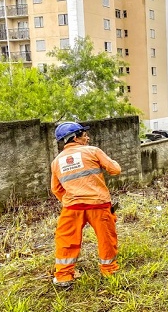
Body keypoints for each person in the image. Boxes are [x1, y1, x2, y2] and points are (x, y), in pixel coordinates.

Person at [50, 121, 121, 287]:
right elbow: (115, 170)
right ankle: (109, 270)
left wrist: (71, 201)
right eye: (84, 134)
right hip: (98, 205)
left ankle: (64, 277)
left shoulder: (56, 162)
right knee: (106, 238)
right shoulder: (93, 151)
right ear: (75, 137)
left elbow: (56, 189)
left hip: (72, 207)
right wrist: (113, 163)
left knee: (66, 241)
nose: (88, 138)